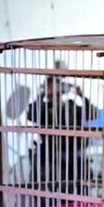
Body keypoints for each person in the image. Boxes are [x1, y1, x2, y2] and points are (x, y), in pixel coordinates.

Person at [27, 66, 96, 194]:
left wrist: (80, 94)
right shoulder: (43, 109)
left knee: (80, 189)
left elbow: (92, 113)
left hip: (74, 156)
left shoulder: (71, 107)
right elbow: (31, 115)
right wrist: (42, 94)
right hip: (51, 158)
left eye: (58, 89)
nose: (55, 94)